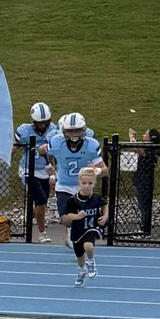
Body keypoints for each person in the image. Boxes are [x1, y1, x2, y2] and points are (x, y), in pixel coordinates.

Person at [42, 113, 107, 242]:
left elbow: (105, 171)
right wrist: (49, 167)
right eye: (70, 131)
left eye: (77, 130)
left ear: (84, 130)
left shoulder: (91, 145)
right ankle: (71, 230)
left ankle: (79, 234)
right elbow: (42, 151)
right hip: (64, 185)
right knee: (66, 220)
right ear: (64, 131)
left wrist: (97, 171)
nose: (74, 134)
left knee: (85, 217)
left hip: (83, 187)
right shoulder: (57, 142)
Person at [17, 103, 58, 242]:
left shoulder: (54, 130)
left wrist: (53, 170)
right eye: (39, 123)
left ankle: (30, 217)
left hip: (45, 170)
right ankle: (42, 233)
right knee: (40, 199)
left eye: (45, 122)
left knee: (43, 202)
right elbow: (15, 147)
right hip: (28, 170)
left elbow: (56, 152)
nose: (42, 125)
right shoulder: (25, 130)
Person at [63, 167, 108, 285]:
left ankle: (91, 262)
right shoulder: (73, 200)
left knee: (88, 246)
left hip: (92, 227)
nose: (87, 186)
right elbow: (69, 215)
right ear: (79, 183)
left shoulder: (97, 198)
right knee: (79, 255)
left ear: (94, 183)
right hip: (78, 229)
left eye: (90, 183)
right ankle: (81, 270)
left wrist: (105, 216)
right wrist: (77, 216)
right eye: (84, 183)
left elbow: (105, 204)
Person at [128, 125, 160, 237]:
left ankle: (145, 229)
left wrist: (132, 137)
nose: (143, 136)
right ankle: (144, 227)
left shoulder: (151, 150)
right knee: (142, 206)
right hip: (140, 179)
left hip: (145, 181)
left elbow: (138, 148)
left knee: (144, 206)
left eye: (145, 134)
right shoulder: (148, 149)